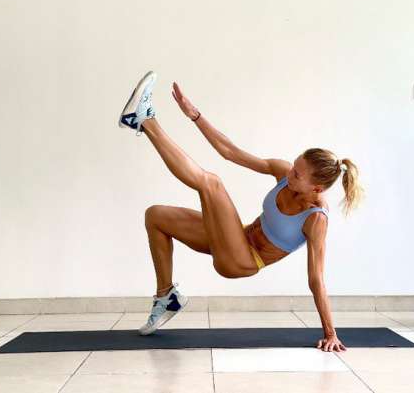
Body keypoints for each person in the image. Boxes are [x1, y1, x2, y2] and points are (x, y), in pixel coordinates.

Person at [119, 71, 363, 352]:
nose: (290, 173)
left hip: (242, 261)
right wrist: (195, 115)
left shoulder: (315, 218)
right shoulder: (284, 173)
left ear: (317, 188)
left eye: (297, 174)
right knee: (156, 216)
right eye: (294, 166)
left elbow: (316, 278)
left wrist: (330, 333)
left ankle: (144, 120)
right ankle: (166, 298)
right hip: (236, 237)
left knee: (211, 183)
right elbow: (230, 152)